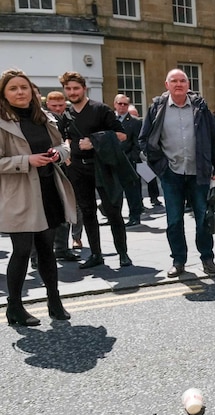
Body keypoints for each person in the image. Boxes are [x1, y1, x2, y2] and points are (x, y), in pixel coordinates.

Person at [0, 69, 76, 325]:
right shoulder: (1, 121)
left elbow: (63, 145)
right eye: (13, 88)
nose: (20, 92)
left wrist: (58, 153)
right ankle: (14, 307)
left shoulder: (43, 117)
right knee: (21, 250)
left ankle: (54, 301)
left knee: (47, 249)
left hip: (48, 189)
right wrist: (27, 160)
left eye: (23, 87)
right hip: (19, 194)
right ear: (4, 94)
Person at [139, 68, 215, 278]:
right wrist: (160, 168)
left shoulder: (200, 107)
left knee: (203, 219)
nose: (178, 84)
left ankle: (207, 258)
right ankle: (178, 260)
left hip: (199, 173)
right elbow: (144, 140)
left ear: (188, 85)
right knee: (174, 221)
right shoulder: (156, 108)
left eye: (182, 81)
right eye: (174, 81)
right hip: (171, 174)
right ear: (166, 85)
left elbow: (214, 139)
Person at [58, 71, 132, 269]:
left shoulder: (101, 109)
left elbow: (121, 135)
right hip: (77, 170)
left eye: (76, 88)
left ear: (84, 88)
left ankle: (123, 253)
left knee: (113, 211)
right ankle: (96, 254)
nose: (72, 92)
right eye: (68, 89)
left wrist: (94, 142)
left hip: (102, 167)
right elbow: (66, 137)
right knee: (88, 212)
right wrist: (67, 153)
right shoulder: (66, 113)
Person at [44, 90, 84, 258]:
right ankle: (37, 256)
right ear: (47, 105)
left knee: (70, 207)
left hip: (71, 168)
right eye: (54, 106)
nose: (58, 109)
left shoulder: (68, 118)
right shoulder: (42, 119)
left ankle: (64, 247)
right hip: (48, 168)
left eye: (61, 105)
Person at [114, 93, 144, 227]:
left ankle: (134, 216)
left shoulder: (135, 121)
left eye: (125, 104)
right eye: (119, 104)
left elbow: (138, 142)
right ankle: (114, 216)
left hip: (128, 161)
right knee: (114, 191)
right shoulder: (110, 120)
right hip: (112, 161)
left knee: (132, 191)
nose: (122, 106)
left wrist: (132, 157)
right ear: (115, 104)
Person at [128, 105, 162, 208]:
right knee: (135, 181)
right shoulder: (125, 124)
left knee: (150, 177)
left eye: (135, 115)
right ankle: (139, 202)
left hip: (141, 156)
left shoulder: (141, 123)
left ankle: (154, 197)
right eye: (132, 115)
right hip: (132, 157)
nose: (134, 117)